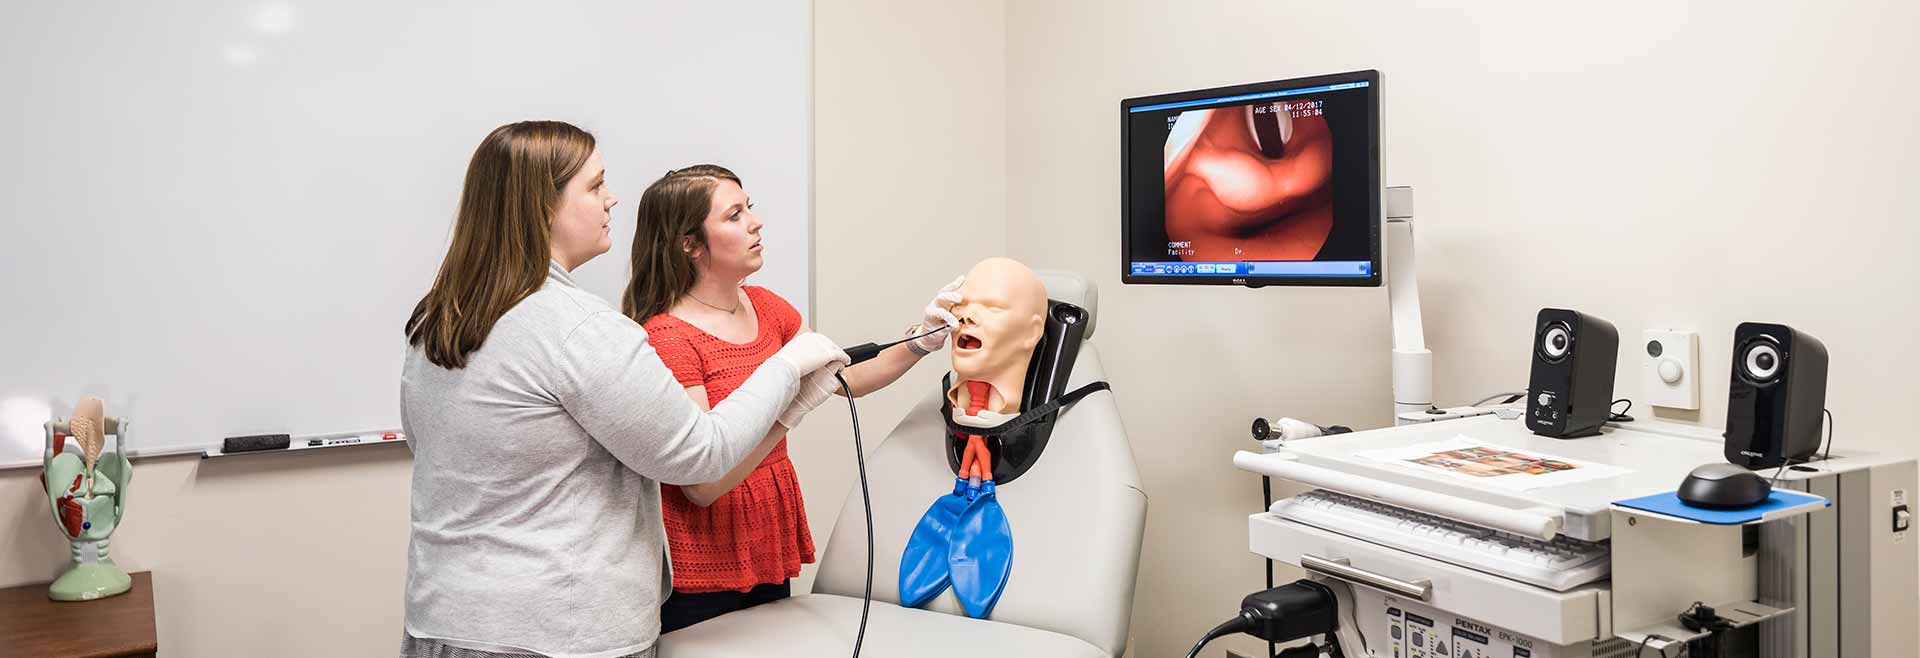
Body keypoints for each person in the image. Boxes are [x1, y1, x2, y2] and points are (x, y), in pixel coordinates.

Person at [398, 123, 850, 658]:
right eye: (594, 186)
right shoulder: (578, 328)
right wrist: (788, 370)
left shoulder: (439, 318)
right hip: (558, 636)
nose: (612, 198)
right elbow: (699, 458)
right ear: (544, 207)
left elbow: (426, 443)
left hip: (442, 623)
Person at [620, 164, 960, 633]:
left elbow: (847, 375)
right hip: (703, 556)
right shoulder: (668, 338)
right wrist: (790, 414)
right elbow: (704, 482)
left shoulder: (767, 306)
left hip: (763, 539)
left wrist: (921, 340)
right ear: (690, 244)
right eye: (734, 215)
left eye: (749, 209)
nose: (755, 223)